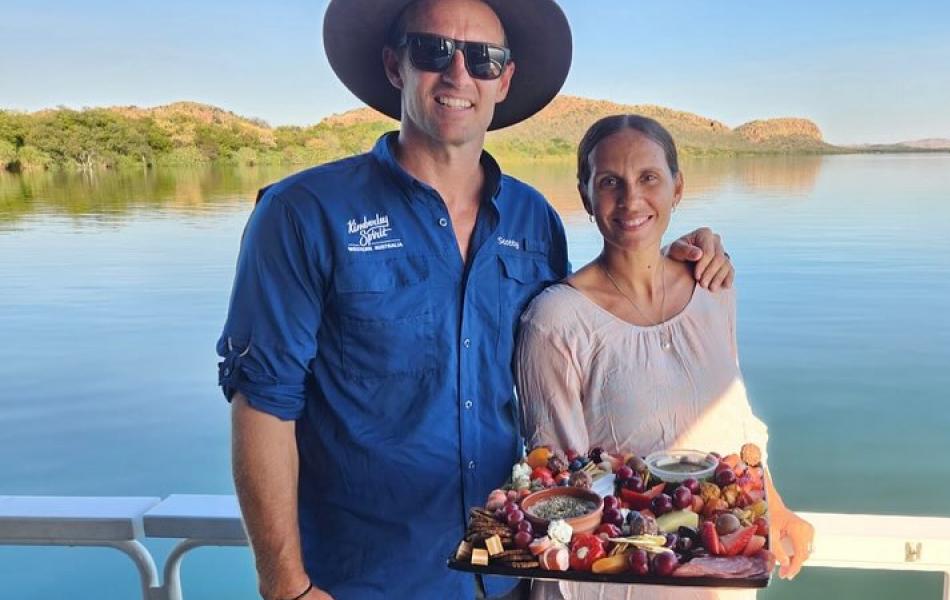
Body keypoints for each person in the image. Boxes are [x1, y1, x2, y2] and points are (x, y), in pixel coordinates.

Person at [216, 2, 735, 599]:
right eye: (432, 50)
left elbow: (587, 328)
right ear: (394, 65)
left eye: (484, 58)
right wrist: (286, 585)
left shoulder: (533, 220)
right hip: (366, 579)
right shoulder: (304, 213)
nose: (459, 73)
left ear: (504, 80)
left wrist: (683, 256)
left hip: (508, 568)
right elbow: (261, 402)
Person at [515, 115, 814, 600]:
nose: (631, 199)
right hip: (617, 580)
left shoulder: (713, 288)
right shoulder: (554, 322)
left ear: (677, 188)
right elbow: (562, 486)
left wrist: (774, 509)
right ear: (586, 194)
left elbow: (736, 425)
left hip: (721, 576)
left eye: (648, 178)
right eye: (610, 181)